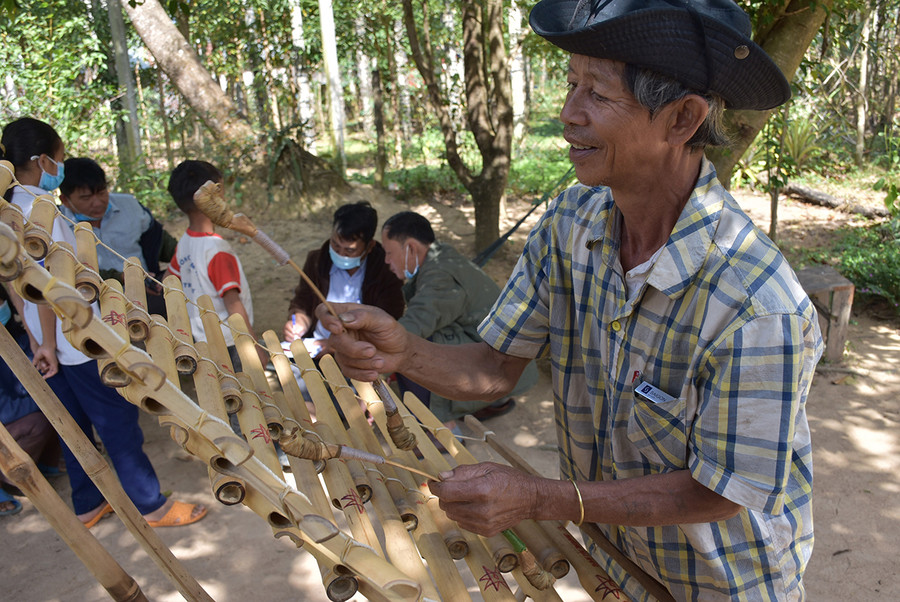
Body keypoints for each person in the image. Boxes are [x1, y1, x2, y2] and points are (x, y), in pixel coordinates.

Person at [315, 1, 823, 599]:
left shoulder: (757, 306)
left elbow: (716, 492)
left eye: (598, 95)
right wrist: (403, 352)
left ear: (683, 118)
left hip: (722, 587)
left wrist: (539, 498)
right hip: (614, 564)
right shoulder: (571, 227)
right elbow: (495, 366)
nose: (568, 115)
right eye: (570, 85)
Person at [1, 117, 207, 528]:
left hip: (48, 340)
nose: (59, 167)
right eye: (58, 159)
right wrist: (47, 340)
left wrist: (33, 333)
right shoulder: (37, 210)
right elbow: (46, 281)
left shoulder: (8, 209)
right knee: (117, 421)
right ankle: (152, 505)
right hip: (76, 340)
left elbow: (11, 279)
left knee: (72, 427)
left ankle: (88, 503)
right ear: (42, 160)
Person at [380, 211, 536, 426]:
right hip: (506, 361)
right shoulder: (442, 256)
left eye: (389, 252)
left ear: (411, 248)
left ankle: (442, 427)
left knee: (411, 348)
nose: (387, 261)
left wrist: (374, 366)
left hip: (501, 368)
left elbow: (413, 327)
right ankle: (489, 403)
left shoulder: (440, 277)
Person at [165, 159, 265, 369]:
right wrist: (254, 347)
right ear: (214, 196)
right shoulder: (217, 250)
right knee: (246, 392)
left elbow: (168, 280)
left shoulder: (185, 241)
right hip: (232, 341)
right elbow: (233, 305)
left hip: (203, 339)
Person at [284, 201, 404, 359]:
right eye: (335, 245)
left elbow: (389, 320)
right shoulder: (317, 261)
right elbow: (302, 301)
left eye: (350, 250)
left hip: (362, 354)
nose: (340, 254)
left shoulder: (387, 270)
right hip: (315, 349)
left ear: (369, 247)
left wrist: (333, 345)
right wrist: (298, 321)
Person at [58, 157, 177, 317]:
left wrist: (181, 258)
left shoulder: (129, 206)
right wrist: (122, 277)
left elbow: (162, 242)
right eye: (86, 198)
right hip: (96, 302)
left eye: (101, 193)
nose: (97, 202)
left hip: (148, 290)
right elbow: (70, 271)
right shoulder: (59, 226)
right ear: (65, 200)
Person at [0, 286, 63, 517]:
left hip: (19, 414)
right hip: (8, 422)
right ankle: (7, 475)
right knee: (44, 417)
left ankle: (46, 462)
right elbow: (5, 411)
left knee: (58, 402)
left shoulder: (18, 336)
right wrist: (46, 401)